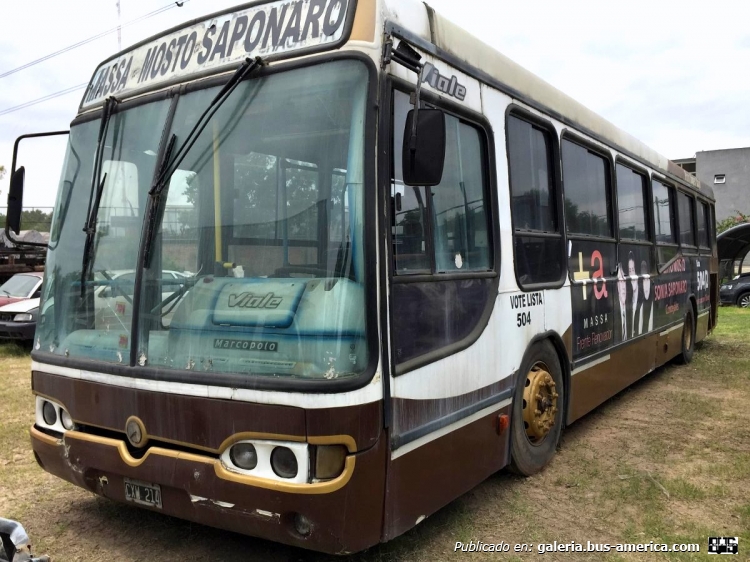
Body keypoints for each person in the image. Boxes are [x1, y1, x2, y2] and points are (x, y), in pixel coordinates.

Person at [628, 252, 641, 338]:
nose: (632, 275)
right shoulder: (627, 295)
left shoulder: (641, 295)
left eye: (633, 270)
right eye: (629, 271)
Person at [640, 260, 654, 333]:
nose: (643, 270)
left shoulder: (651, 282)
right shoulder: (640, 284)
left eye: (645, 268)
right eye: (642, 268)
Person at [617, 264, 628, 342]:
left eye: (623, 281)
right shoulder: (615, 312)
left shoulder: (629, 309)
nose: (623, 286)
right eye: (620, 281)